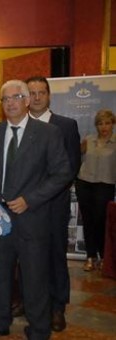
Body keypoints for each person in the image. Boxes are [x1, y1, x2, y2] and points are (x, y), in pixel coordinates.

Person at [0, 80, 72, 340]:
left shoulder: (47, 133)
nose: (10, 102)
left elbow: (63, 173)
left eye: (16, 97)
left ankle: (39, 329)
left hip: (32, 217)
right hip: (0, 218)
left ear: (27, 100)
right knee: (0, 273)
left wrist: (30, 199)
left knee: (34, 277)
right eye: (6, 98)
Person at [25, 76, 81, 332]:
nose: (36, 97)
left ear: (49, 96)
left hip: (53, 205)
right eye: (32, 93)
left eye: (41, 93)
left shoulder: (66, 125)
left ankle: (57, 306)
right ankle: (30, 303)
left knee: (56, 255)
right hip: (21, 207)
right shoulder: (18, 125)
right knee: (26, 258)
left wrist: (40, 194)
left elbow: (70, 167)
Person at [75, 109, 115, 271]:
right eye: (100, 123)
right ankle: (90, 256)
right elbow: (76, 156)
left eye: (107, 123)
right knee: (88, 220)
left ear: (113, 124)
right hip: (84, 183)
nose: (104, 127)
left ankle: (104, 256)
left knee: (101, 221)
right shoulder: (89, 140)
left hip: (105, 184)